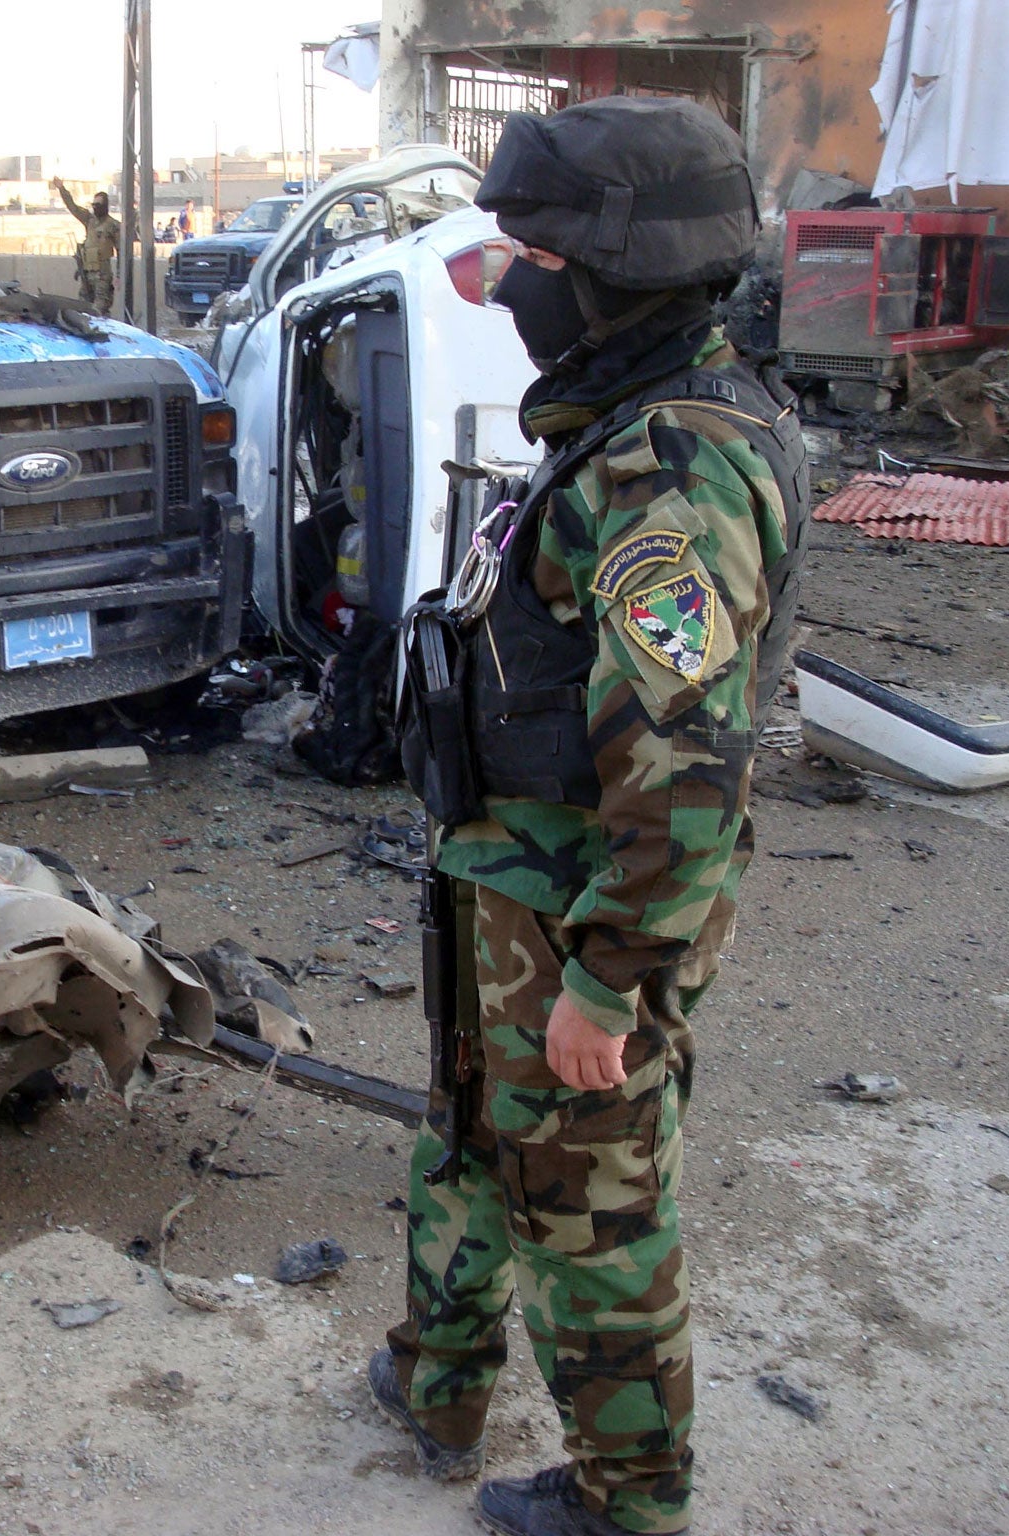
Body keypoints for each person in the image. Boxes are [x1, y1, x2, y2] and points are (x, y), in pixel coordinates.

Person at [372, 96, 809, 1536]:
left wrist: (612, 978)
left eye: (530, 252)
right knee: (473, 1140)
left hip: (584, 909)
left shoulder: (670, 473)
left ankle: (632, 1500)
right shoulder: (624, 417)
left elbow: (687, 769)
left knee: (595, 1213)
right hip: (511, 875)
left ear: (614, 268)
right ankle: (437, 1376)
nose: (507, 280)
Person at [51, 177, 119, 314]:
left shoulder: (113, 225)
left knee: (100, 310)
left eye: (98, 204)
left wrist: (119, 275)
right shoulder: (89, 220)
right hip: (87, 274)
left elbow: (121, 250)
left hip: (102, 275)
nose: (95, 207)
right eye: (93, 204)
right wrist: (62, 189)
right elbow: (73, 207)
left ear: (105, 206)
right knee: (83, 308)